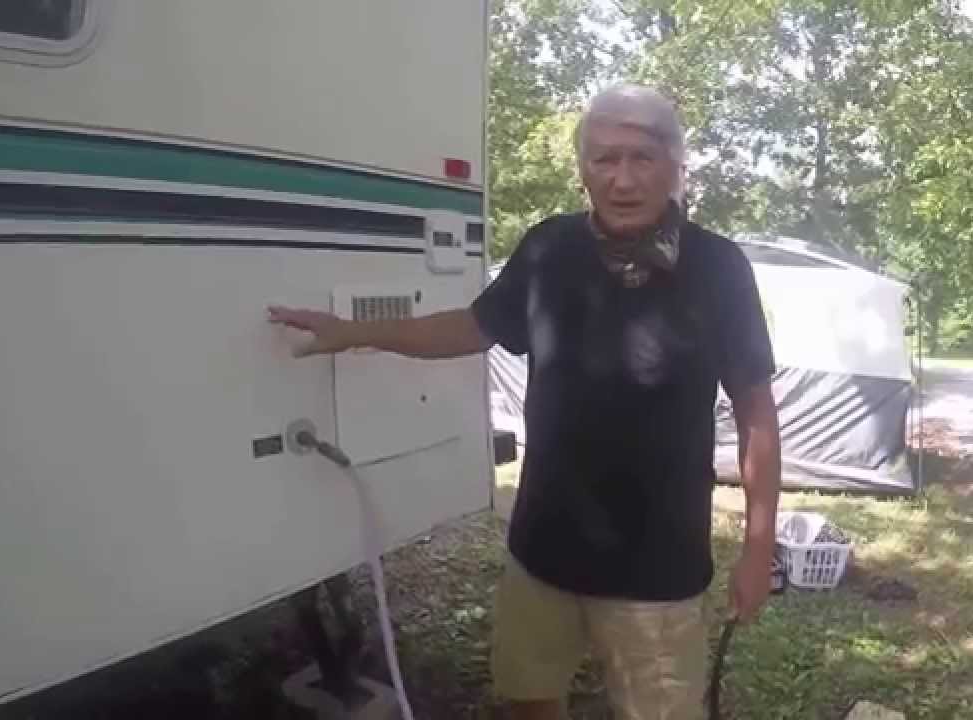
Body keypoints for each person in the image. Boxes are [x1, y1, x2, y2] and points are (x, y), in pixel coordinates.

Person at [267, 84, 781, 720]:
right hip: (542, 552)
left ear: (676, 167)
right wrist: (354, 332)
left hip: (658, 570)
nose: (622, 179)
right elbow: (471, 327)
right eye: (603, 158)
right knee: (529, 696)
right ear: (583, 169)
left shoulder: (720, 269)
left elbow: (756, 413)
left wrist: (758, 548)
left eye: (642, 158)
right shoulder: (548, 249)